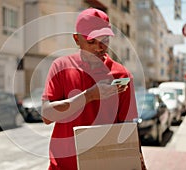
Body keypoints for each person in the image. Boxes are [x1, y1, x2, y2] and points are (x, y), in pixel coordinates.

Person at [41, 8, 146, 170]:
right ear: (77, 39)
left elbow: (128, 127)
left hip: (105, 165)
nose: (99, 48)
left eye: (104, 40)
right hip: (62, 166)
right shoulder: (60, 66)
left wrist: (139, 163)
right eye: (91, 42)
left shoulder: (121, 75)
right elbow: (47, 115)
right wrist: (89, 96)